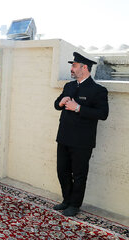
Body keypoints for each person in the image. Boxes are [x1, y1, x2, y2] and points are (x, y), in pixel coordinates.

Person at [53, 52, 109, 216]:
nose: (71, 68)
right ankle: (66, 200)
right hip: (64, 137)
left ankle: (74, 205)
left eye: (74, 66)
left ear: (84, 68)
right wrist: (60, 102)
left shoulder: (98, 90)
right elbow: (57, 104)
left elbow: (103, 114)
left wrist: (78, 108)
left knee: (78, 174)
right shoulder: (69, 86)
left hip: (82, 142)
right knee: (62, 170)